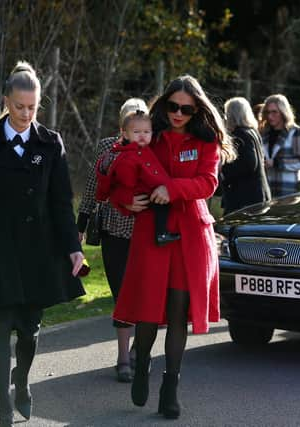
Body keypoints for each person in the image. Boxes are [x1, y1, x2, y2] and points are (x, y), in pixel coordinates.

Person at [0, 61, 85, 427]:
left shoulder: (50, 142)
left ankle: (22, 383)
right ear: (6, 102)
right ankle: (4, 410)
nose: (26, 114)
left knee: (29, 331)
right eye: (19, 106)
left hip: (37, 253)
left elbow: (61, 202)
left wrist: (73, 247)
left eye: (33, 107)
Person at [102, 75, 236, 419]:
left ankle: (170, 387)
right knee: (148, 308)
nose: (178, 113)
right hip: (151, 232)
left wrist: (172, 189)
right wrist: (125, 201)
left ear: (197, 109)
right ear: (164, 104)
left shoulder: (206, 141)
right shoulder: (148, 134)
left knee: (178, 312)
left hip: (190, 234)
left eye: (186, 109)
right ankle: (142, 362)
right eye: (173, 106)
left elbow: (207, 183)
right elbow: (118, 176)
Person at [77, 98, 146, 383]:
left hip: (146, 232)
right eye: (132, 122)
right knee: (121, 294)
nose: (139, 131)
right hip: (114, 232)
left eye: (144, 125)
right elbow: (94, 187)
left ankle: (139, 351)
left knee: (144, 294)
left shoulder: (153, 149)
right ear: (123, 125)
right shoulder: (107, 147)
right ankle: (122, 356)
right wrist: (80, 224)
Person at [97, 107, 179, 246]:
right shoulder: (127, 155)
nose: (142, 135)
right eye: (137, 132)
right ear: (125, 134)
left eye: (146, 132)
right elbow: (125, 177)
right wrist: (128, 194)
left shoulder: (144, 149)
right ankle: (162, 234)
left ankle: (162, 233)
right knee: (161, 207)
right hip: (141, 194)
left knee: (163, 208)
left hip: (150, 191)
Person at [221, 97, 271, 215]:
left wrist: (224, 170)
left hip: (245, 198)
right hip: (257, 195)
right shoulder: (252, 132)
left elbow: (249, 164)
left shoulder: (240, 134)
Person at [260, 94, 300, 197]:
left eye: (274, 112)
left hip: (289, 191)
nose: (270, 116)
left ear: (283, 112)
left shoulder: (297, 132)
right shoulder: (264, 133)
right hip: (267, 190)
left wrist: (276, 163)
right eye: (267, 112)